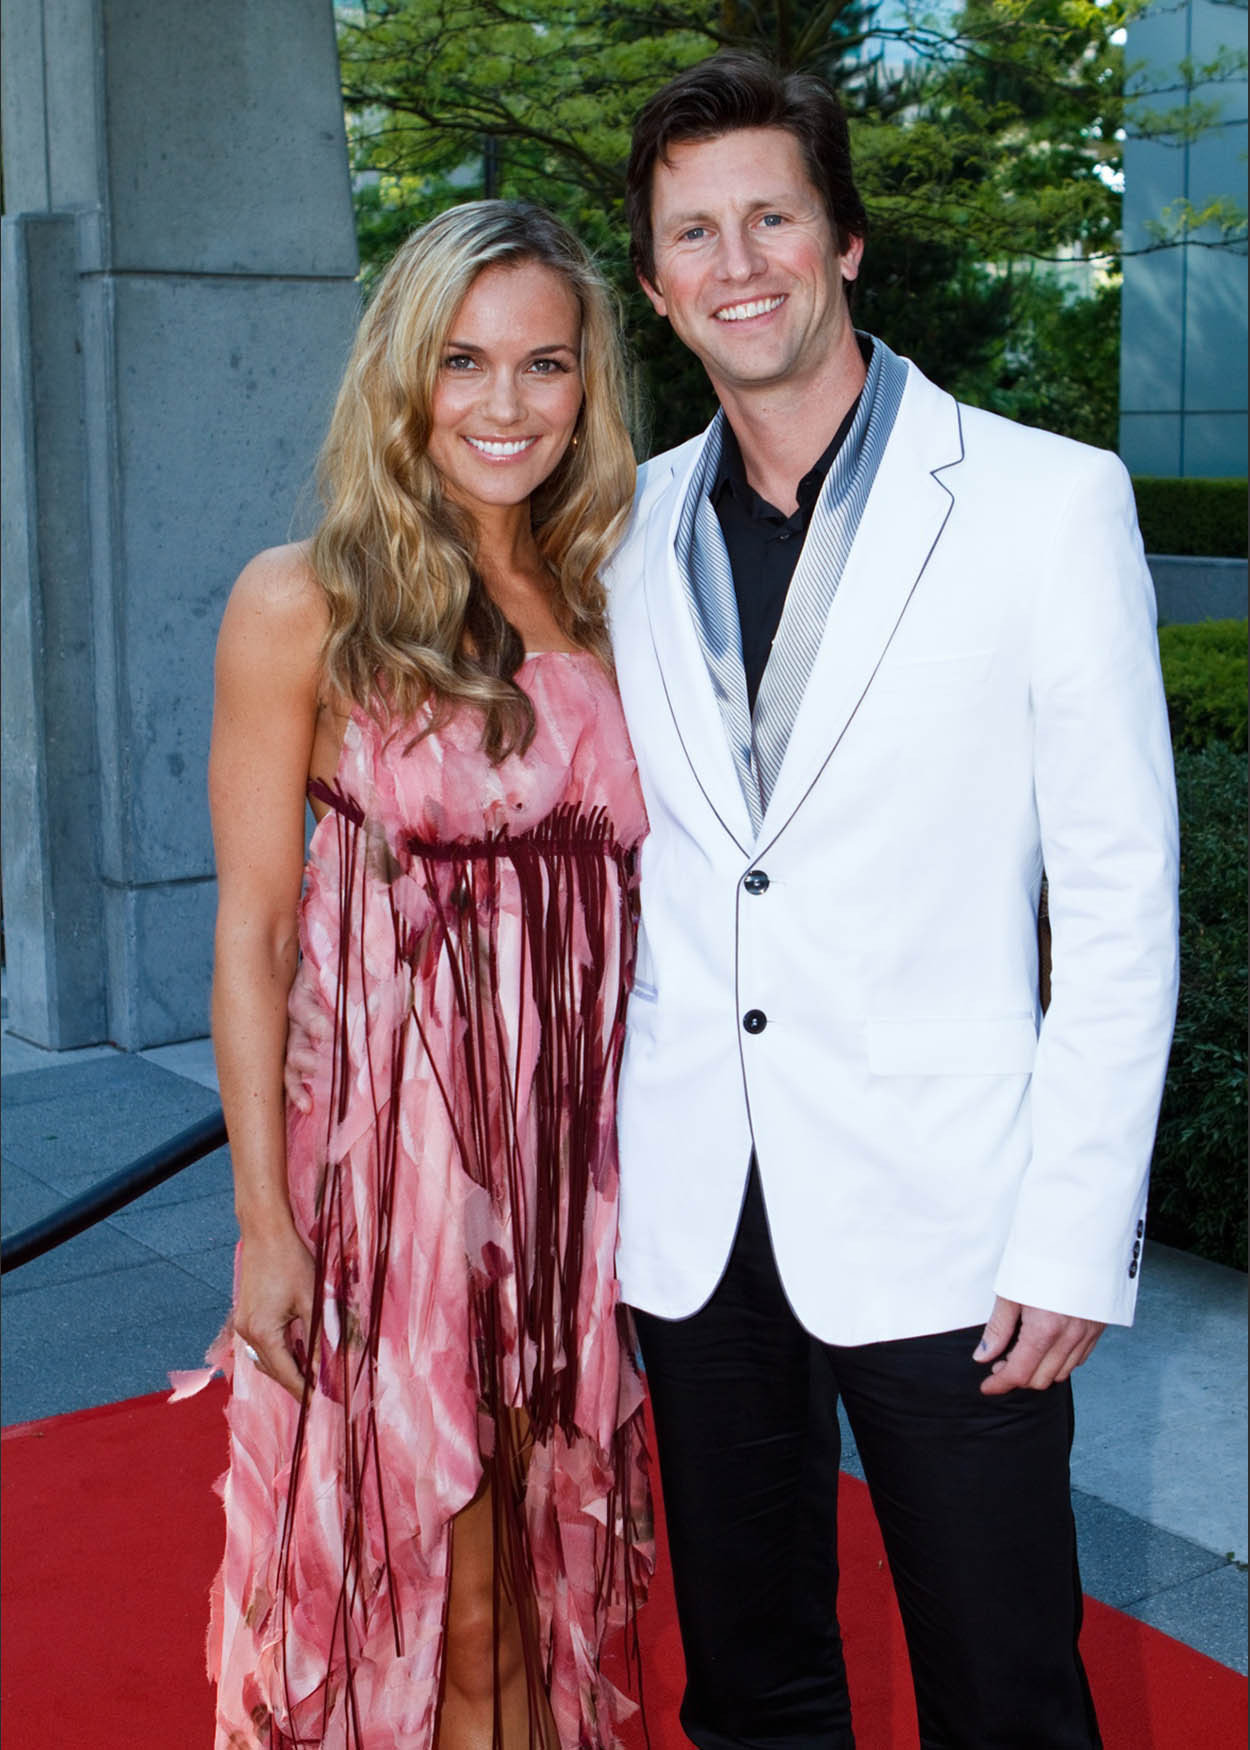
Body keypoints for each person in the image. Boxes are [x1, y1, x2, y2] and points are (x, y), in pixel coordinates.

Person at [603, 52, 1180, 1748]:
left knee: (1005, 1686)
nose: (737, 262)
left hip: (960, 1222)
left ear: (842, 239)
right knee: (752, 1682)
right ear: (652, 283)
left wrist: (1076, 1226)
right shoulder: (621, 531)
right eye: (693, 233)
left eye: (771, 215)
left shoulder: (1043, 501)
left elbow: (1121, 900)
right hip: (703, 1222)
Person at [207, 201, 651, 1750]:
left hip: (580, 1186)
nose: (506, 404)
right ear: (402, 375)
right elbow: (255, 934)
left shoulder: (614, 589)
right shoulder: (300, 602)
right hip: (395, 1186)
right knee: (442, 1597)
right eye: (464, 361)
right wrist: (268, 1224)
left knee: (547, 1575)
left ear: (590, 384)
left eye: (545, 364)